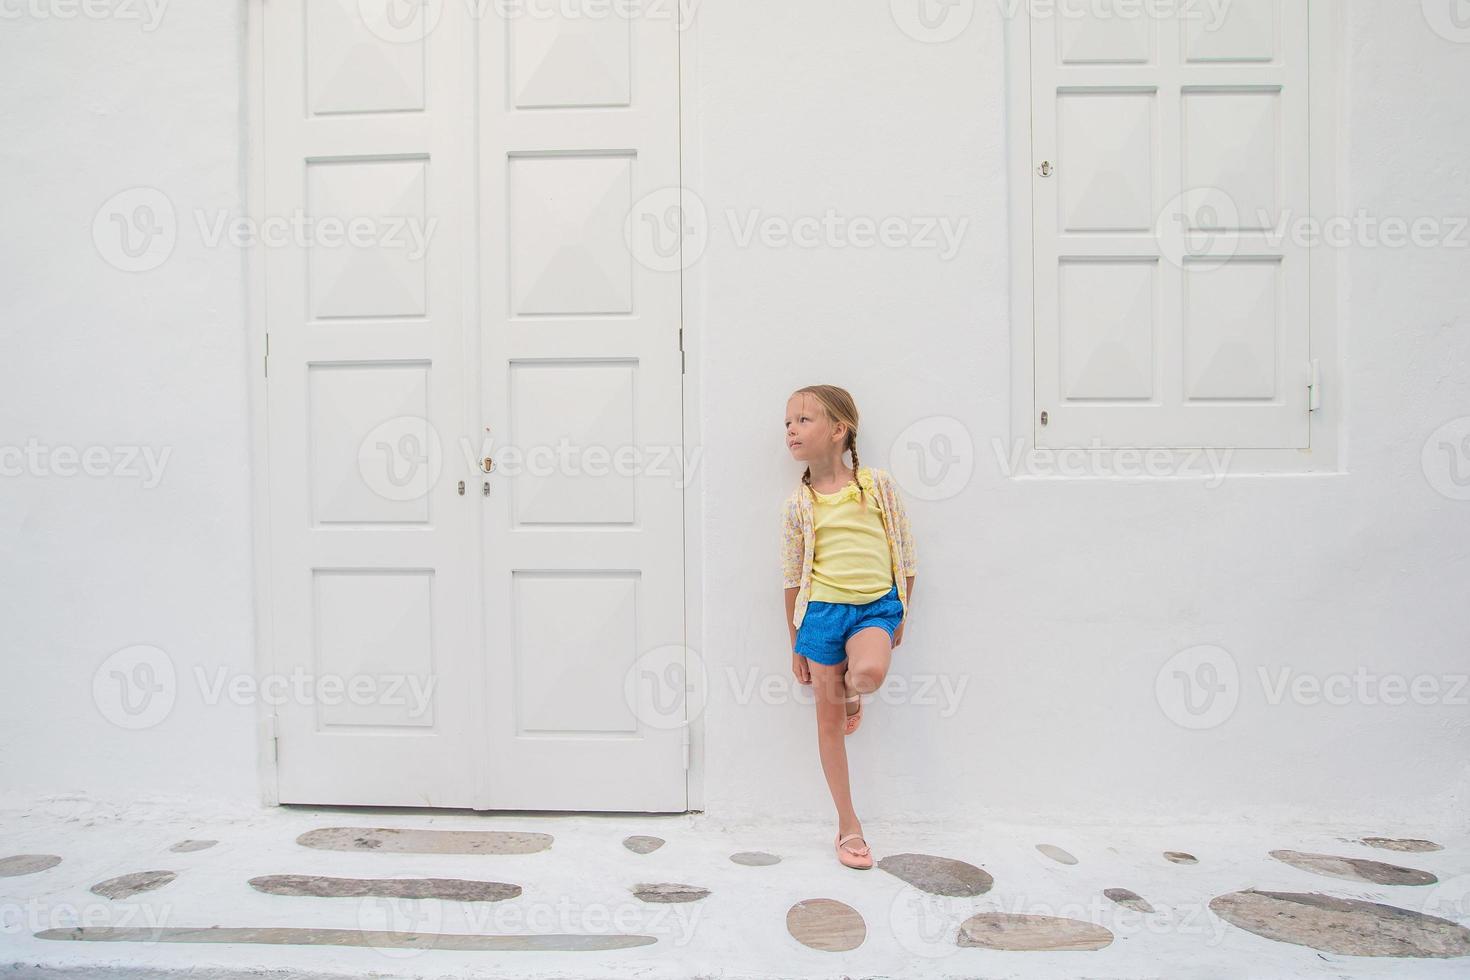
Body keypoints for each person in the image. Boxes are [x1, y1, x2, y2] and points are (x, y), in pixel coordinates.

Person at [780, 384, 918, 870]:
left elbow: (906, 551)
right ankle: (848, 824)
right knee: (828, 724)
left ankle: (853, 693)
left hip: (874, 608)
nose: (792, 430)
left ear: (839, 430)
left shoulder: (876, 486)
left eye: (803, 420)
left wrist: (902, 608)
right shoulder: (799, 503)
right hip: (821, 616)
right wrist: (796, 642)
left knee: (865, 675)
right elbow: (792, 576)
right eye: (788, 423)